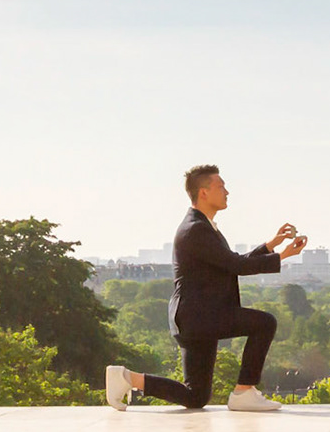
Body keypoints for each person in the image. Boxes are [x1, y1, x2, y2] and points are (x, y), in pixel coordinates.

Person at [105, 164, 306, 411]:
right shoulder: (196, 229)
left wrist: (270, 245)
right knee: (265, 323)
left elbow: (229, 262)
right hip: (199, 317)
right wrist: (282, 255)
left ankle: (126, 379)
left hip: (196, 318)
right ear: (203, 192)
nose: (227, 192)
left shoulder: (202, 226)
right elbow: (236, 265)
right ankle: (244, 392)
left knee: (196, 396)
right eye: (221, 186)